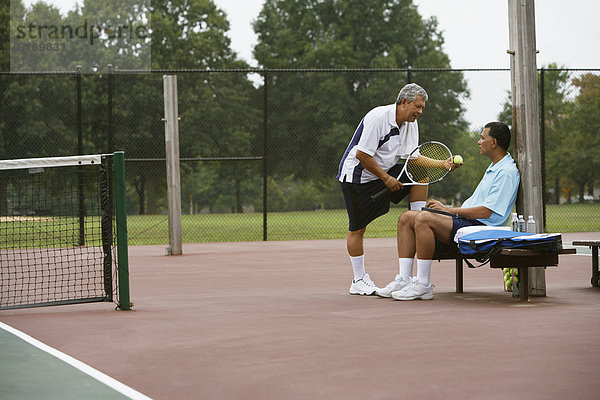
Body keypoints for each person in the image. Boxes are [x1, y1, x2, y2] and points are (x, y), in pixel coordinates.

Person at [376, 121, 520, 300]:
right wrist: (447, 211)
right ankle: (404, 280)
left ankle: (423, 284)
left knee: (423, 219)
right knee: (406, 217)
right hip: (468, 221)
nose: (478, 141)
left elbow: (487, 212)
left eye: (482, 138)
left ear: (494, 142)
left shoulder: (506, 172)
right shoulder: (495, 166)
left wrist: (449, 211)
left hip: (480, 226)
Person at [338, 83, 434, 295]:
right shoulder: (378, 118)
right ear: (403, 102)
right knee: (357, 229)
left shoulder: (410, 123)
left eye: (422, 108)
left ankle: (417, 220)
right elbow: (362, 154)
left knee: (420, 175)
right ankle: (358, 280)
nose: (419, 111)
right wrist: (387, 178)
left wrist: (442, 163)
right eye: (417, 106)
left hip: (383, 172)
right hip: (357, 176)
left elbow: (414, 159)